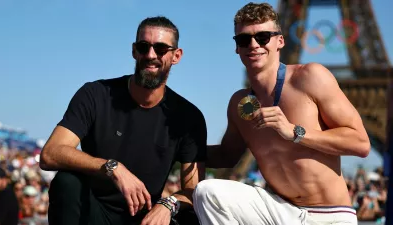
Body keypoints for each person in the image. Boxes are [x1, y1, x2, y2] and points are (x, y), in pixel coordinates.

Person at [192, 2, 371, 225]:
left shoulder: (310, 77)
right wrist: (176, 149)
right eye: (244, 39)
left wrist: (295, 132)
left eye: (263, 37)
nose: (254, 45)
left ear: (280, 41)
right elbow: (228, 155)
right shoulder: (239, 103)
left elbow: (361, 143)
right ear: (237, 47)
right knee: (208, 192)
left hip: (330, 215)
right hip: (281, 212)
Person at [39, 16, 207, 225]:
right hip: (92, 213)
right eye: (144, 46)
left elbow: (194, 191)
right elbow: (50, 153)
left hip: (144, 218)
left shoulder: (189, 117)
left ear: (176, 55)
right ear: (134, 50)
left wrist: (168, 204)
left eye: (161, 48)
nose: (150, 55)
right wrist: (112, 167)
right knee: (67, 182)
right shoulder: (96, 94)